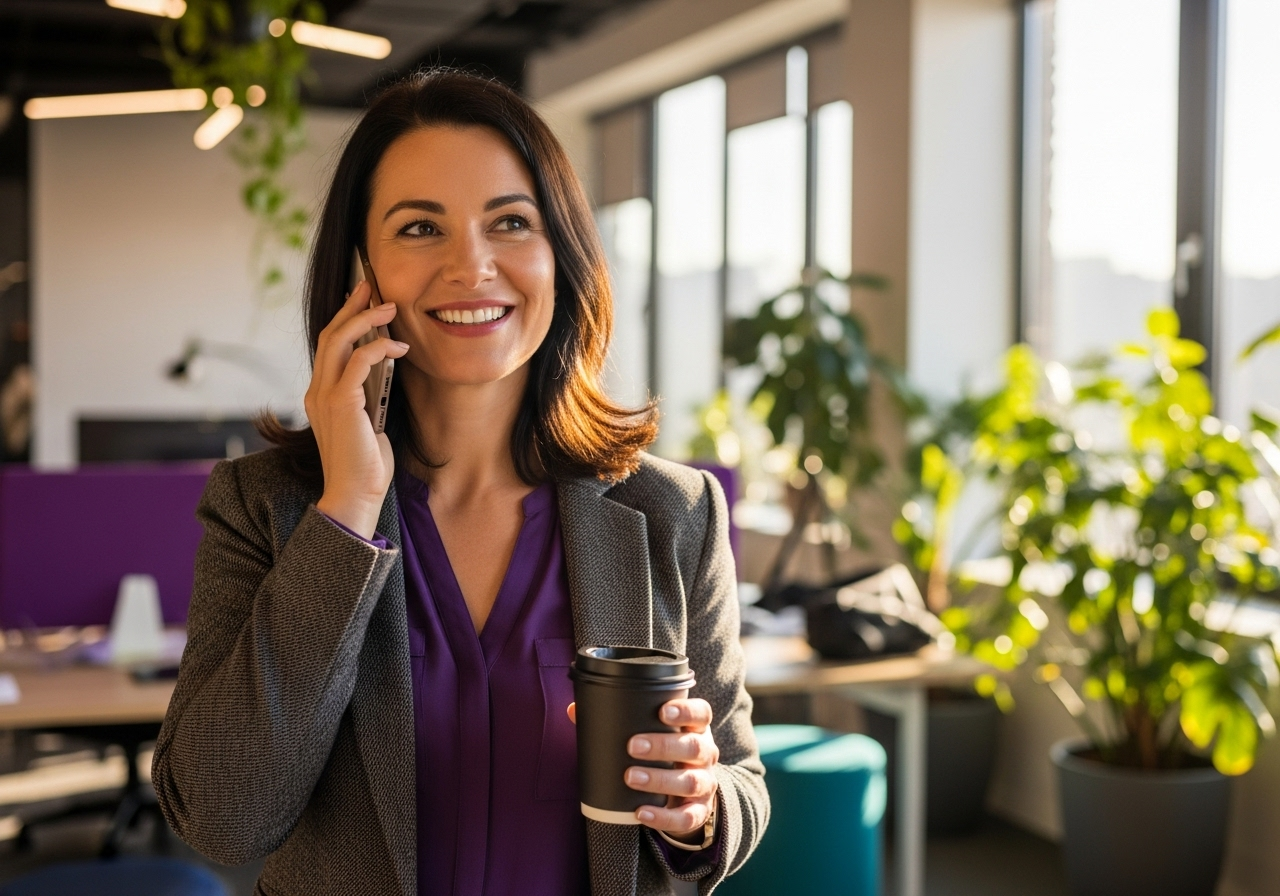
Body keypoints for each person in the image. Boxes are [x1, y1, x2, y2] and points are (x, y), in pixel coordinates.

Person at [151, 68, 768, 896]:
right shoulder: (267, 509)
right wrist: (346, 514)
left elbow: (738, 781)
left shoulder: (671, 513)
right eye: (419, 229)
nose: (472, 266)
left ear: (561, 256)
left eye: (511, 221)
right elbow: (221, 818)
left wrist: (701, 807)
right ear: (359, 273)